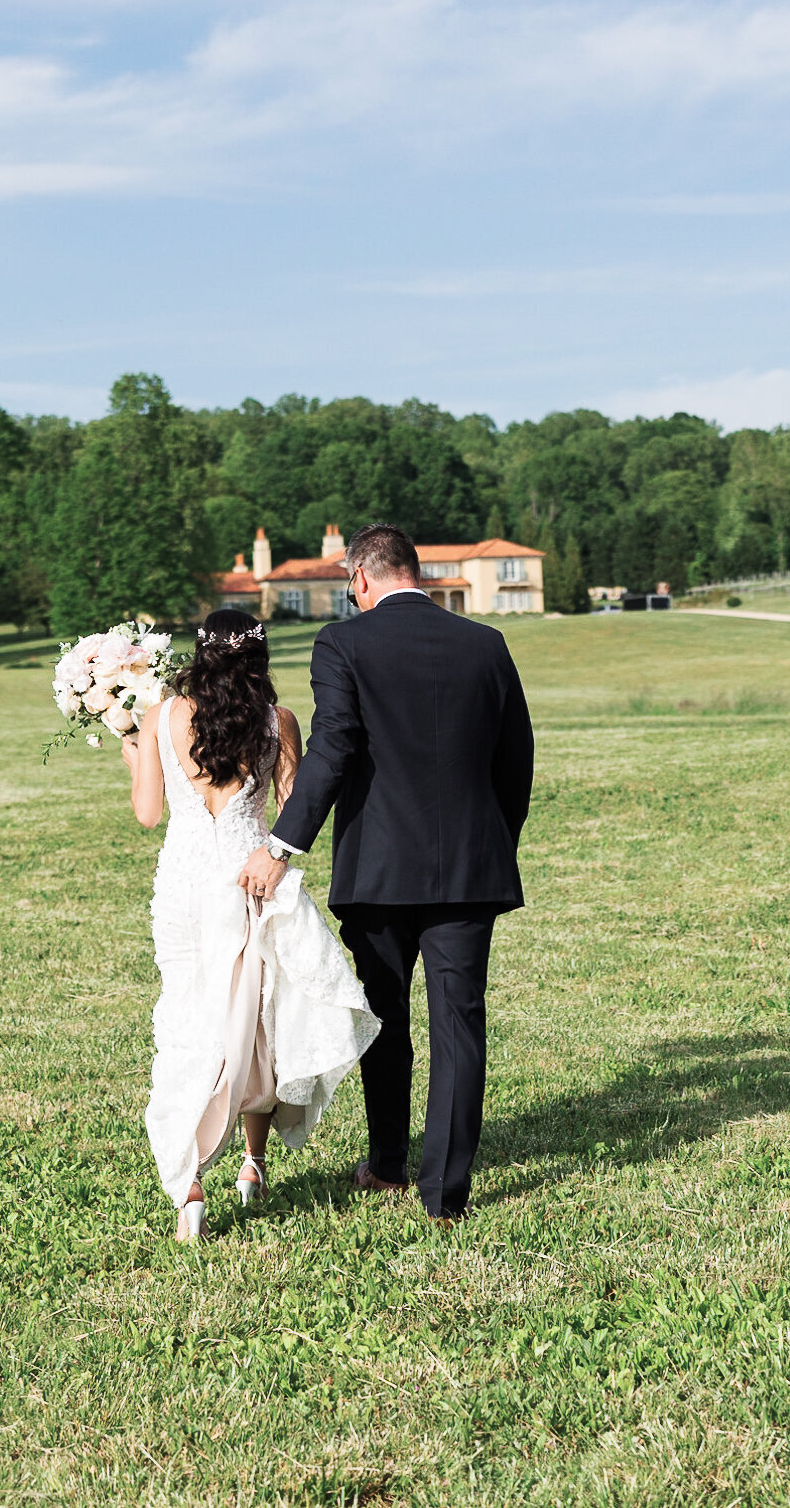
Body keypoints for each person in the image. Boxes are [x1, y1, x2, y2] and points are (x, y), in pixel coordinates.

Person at [239, 524, 534, 1222]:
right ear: (419, 574)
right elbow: (515, 757)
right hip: (471, 866)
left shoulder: (343, 643)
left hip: (378, 870)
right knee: (460, 1023)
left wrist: (281, 846)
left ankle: (391, 1164)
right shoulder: (486, 644)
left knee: (386, 1015)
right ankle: (447, 1195)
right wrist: (494, 842)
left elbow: (335, 746)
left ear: (361, 579)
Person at [122, 608, 379, 1242]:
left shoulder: (164, 717)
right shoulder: (278, 722)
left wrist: (134, 750)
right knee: (258, 1017)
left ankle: (189, 1185)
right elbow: (293, 812)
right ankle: (252, 1162)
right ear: (258, 660)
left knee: (191, 1015)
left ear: (199, 655)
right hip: (251, 881)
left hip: (183, 888)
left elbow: (148, 813)